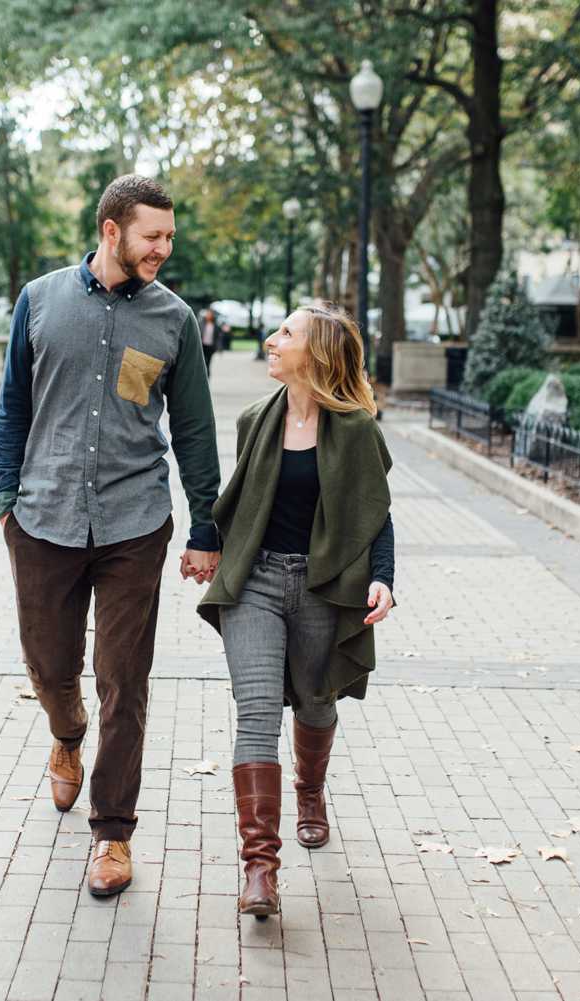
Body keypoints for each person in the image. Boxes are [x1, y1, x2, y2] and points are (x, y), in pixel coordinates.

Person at [0, 174, 222, 898]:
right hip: (43, 517)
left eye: (170, 236)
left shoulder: (173, 319)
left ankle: (113, 832)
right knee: (49, 664)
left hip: (133, 523)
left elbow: (193, 429)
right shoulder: (40, 299)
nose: (164, 248)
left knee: (126, 680)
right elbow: (11, 410)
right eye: (153, 235)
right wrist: (6, 500)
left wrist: (205, 523)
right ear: (111, 231)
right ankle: (65, 733)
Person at [198, 300, 395, 919]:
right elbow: (243, 504)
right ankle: (260, 869)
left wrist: (384, 580)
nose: (272, 339)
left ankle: (311, 792)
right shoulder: (256, 419)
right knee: (255, 711)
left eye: (286, 333)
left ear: (316, 354)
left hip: (321, 586)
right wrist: (207, 547)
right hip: (255, 581)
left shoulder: (357, 429)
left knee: (315, 702)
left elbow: (376, 515)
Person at [200, 308, 220, 376]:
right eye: (207, 314)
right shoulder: (201, 323)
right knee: (202, 362)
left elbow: (218, 337)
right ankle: (202, 376)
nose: (208, 315)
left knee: (208, 362)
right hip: (202, 346)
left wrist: (217, 347)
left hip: (211, 347)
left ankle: (207, 376)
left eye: (210, 314)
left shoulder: (215, 326)